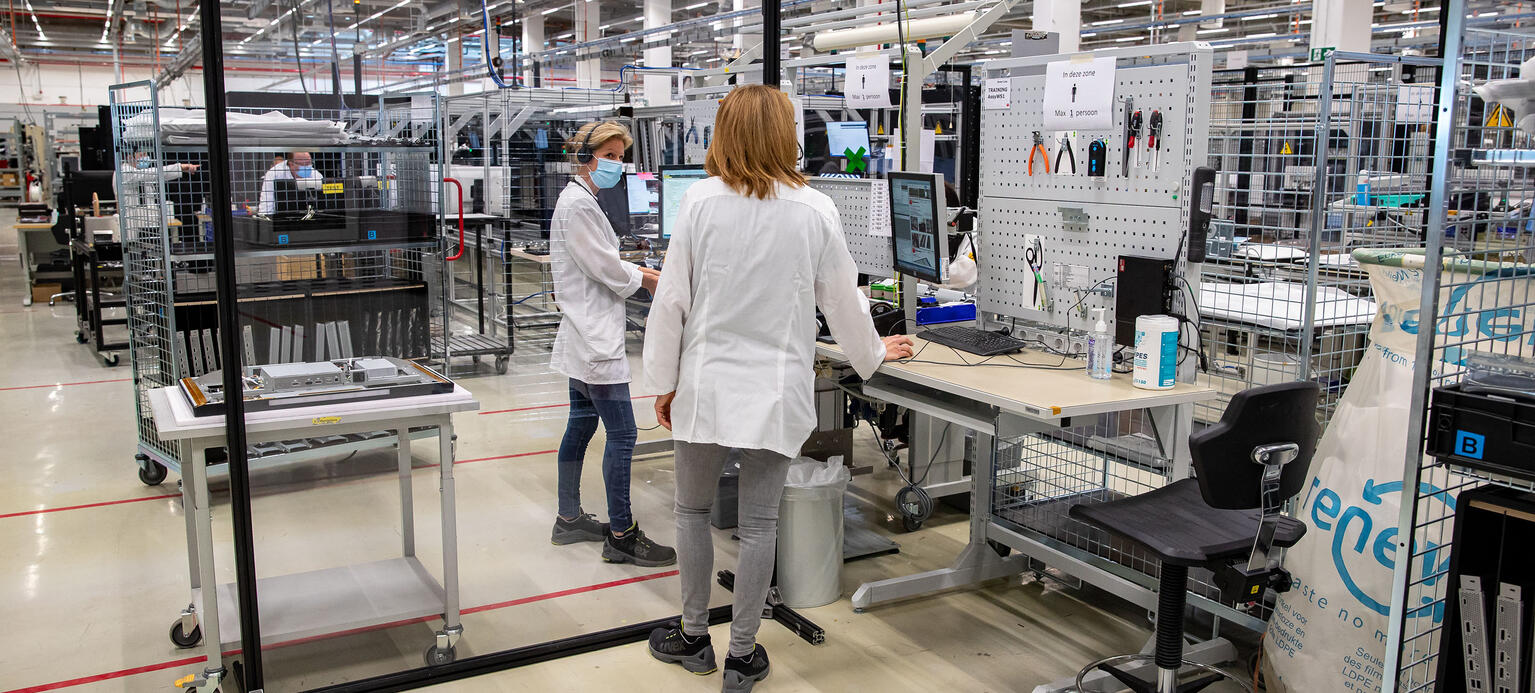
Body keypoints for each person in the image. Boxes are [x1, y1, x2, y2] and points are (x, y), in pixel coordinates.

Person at [641, 85, 914, 692]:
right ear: (784, 135)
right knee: (761, 524)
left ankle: (692, 637)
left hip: (705, 385)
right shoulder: (814, 209)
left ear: (725, 133)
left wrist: (663, 383)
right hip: (772, 392)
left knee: (691, 511)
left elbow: (671, 304)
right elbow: (843, 300)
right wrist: (873, 353)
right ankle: (742, 656)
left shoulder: (699, 204)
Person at [547, 120, 675, 567]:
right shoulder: (577, 206)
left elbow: (605, 263)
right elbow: (606, 268)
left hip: (585, 334)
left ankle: (568, 519)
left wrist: (649, 276)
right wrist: (654, 279)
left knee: (580, 427)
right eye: (610, 156)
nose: (616, 165)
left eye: (621, 157)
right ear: (586, 156)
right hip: (595, 340)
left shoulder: (581, 200)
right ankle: (621, 534)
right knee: (621, 436)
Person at [115, 150, 198, 210]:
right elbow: (155, 173)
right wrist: (180, 167)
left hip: (147, 218)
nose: (146, 157)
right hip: (131, 217)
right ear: (130, 157)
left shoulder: (139, 172)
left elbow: (157, 176)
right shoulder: (124, 171)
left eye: (146, 154)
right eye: (142, 155)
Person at [257, 151, 323, 215]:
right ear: (291, 164)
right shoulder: (274, 174)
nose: (308, 167)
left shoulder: (316, 175)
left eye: (309, 163)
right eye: (303, 164)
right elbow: (266, 206)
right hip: (280, 218)